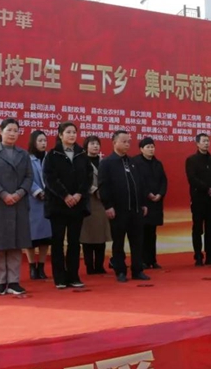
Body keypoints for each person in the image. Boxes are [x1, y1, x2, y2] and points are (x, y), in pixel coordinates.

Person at [0, 118, 33, 295]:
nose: (12, 133)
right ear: (0, 131)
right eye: (9, 130)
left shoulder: (23, 154)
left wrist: (19, 193)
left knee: (15, 244)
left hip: (18, 203)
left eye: (15, 130)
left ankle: (13, 281)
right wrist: (4, 194)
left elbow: (29, 177)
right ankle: (0, 282)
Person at [43, 123, 91, 289]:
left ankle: (73, 276)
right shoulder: (52, 155)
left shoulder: (82, 154)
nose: (72, 135)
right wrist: (65, 195)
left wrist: (78, 194)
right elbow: (49, 179)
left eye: (74, 132)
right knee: (57, 242)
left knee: (74, 242)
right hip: (58, 205)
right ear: (60, 135)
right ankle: (60, 278)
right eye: (68, 132)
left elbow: (88, 177)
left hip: (77, 205)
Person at [98, 130, 150, 283]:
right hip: (118, 211)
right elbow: (103, 187)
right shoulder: (107, 163)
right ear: (114, 143)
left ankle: (137, 270)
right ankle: (120, 271)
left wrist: (143, 203)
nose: (127, 144)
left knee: (137, 242)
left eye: (128, 142)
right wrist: (108, 206)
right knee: (118, 242)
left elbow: (140, 184)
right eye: (124, 141)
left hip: (136, 210)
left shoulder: (132, 162)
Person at [185, 133, 211, 266]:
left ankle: (210, 255)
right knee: (197, 228)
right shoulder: (191, 160)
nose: (206, 143)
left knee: (210, 229)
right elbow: (192, 179)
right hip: (198, 199)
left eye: (208, 141)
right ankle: (198, 256)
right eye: (204, 141)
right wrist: (207, 189)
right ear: (197, 143)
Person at [132, 137, 168, 269]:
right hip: (142, 202)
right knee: (141, 233)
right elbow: (137, 181)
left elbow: (164, 181)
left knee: (152, 233)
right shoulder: (135, 162)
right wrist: (148, 193)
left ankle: (152, 260)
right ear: (141, 149)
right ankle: (141, 260)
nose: (151, 149)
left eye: (152, 147)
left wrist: (160, 194)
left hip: (155, 203)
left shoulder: (157, 163)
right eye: (148, 147)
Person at [80, 135, 112, 275]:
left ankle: (99, 265)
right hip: (88, 202)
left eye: (97, 144)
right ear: (86, 146)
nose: (95, 146)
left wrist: (104, 192)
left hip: (102, 203)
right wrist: (94, 190)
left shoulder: (104, 162)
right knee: (88, 237)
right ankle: (89, 266)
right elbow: (80, 180)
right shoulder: (81, 161)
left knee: (101, 237)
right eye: (92, 144)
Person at [26, 130, 52, 280]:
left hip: (49, 200)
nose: (43, 143)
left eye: (45, 141)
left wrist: (50, 192)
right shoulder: (27, 159)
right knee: (31, 238)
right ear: (33, 142)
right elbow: (26, 178)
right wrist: (37, 191)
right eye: (40, 141)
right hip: (33, 201)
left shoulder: (50, 158)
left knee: (46, 237)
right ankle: (31, 266)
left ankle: (41, 267)